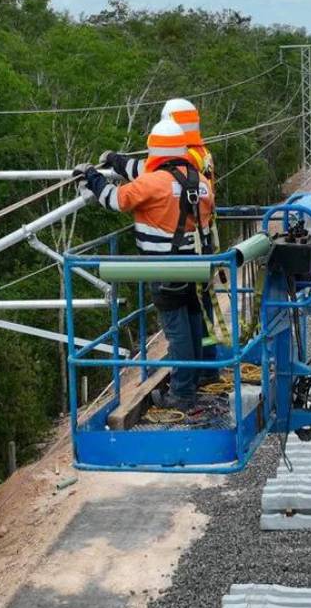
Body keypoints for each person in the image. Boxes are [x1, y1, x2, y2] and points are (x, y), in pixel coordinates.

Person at [75, 118, 214, 408]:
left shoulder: (154, 182)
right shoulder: (199, 181)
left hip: (166, 268)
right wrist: (116, 161)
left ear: (155, 152)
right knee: (193, 319)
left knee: (177, 332)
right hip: (198, 263)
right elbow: (141, 170)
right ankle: (201, 376)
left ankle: (182, 394)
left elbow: (115, 199)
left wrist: (91, 176)